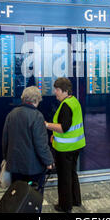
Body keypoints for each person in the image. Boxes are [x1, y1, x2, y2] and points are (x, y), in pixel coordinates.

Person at [2, 86, 54, 201]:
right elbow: (41, 144)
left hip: (14, 164)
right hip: (33, 168)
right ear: (36, 100)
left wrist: (6, 157)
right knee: (33, 198)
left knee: (17, 197)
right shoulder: (37, 116)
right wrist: (49, 161)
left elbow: (5, 139)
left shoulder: (12, 114)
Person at [46, 77, 85, 213]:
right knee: (72, 173)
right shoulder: (74, 101)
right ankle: (75, 200)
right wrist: (54, 134)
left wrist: (47, 125)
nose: (55, 92)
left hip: (65, 148)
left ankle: (65, 206)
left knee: (64, 177)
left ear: (65, 91)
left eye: (57, 90)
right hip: (76, 145)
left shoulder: (65, 105)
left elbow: (64, 128)